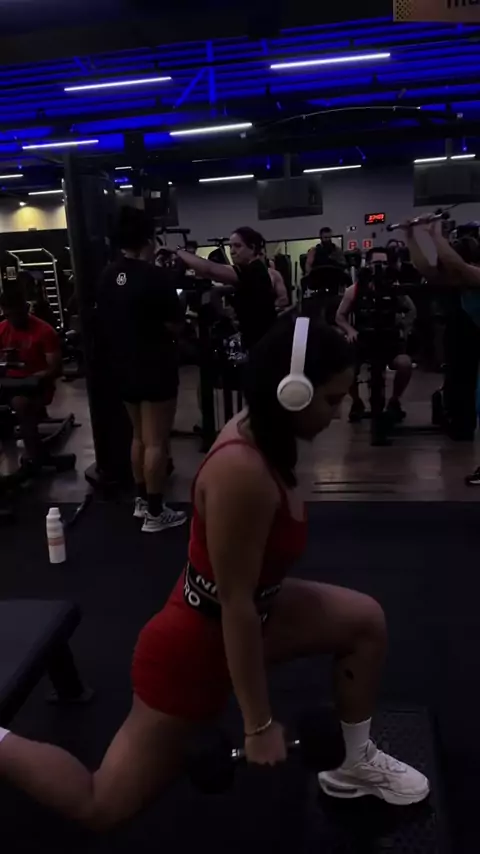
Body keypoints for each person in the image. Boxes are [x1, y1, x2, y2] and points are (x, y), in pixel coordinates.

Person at [0, 317, 429, 829]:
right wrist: (258, 724)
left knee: (363, 622)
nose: (339, 413)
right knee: (101, 805)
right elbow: (235, 606)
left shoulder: (268, 431)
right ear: (291, 393)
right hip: (197, 645)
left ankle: (353, 765)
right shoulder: (242, 473)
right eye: (332, 400)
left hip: (258, 608)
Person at [96, 207, 186, 534]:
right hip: (155, 366)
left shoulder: (107, 275)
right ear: (148, 239)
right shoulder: (154, 276)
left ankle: (141, 502)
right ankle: (156, 513)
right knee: (156, 441)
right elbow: (175, 325)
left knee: (138, 436)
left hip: (122, 367)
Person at [420, 220, 480, 483]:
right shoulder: (460, 280)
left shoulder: (473, 274)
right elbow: (428, 269)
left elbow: (456, 265)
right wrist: (412, 236)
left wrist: (435, 234)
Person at [336, 247, 415, 423]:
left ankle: (394, 401)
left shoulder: (394, 287)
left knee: (405, 364)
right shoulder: (354, 290)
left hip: (389, 341)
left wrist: (403, 328)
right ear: (368, 264)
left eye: (384, 263)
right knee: (346, 368)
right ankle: (357, 402)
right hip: (363, 340)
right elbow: (339, 316)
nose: (380, 267)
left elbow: (411, 311)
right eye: (377, 263)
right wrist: (350, 330)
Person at [171, 227, 277, 350]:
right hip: (255, 339)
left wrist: (179, 251)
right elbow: (210, 278)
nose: (232, 251)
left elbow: (210, 270)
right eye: (230, 246)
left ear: (252, 248)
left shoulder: (254, 269)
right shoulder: (250, 271)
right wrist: (226, 312)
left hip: (262, 341)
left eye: (238, 246)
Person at [0, 288, 61, 465]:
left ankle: (36, 457)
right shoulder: (2, 330)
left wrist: (37, 377)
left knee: (21, 403)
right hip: (7, 384)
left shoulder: (44, 331)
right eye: (9, 315)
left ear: (25, 308)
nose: (13, 319)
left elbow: (55, 368)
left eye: (17, 314)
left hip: (36, 386)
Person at [260, 242, 289, 310]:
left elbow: (283, 299)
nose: (257, 258)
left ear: (265, 255)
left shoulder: (274, 274)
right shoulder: (240, 274)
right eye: (254, 255)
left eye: (260, 254)